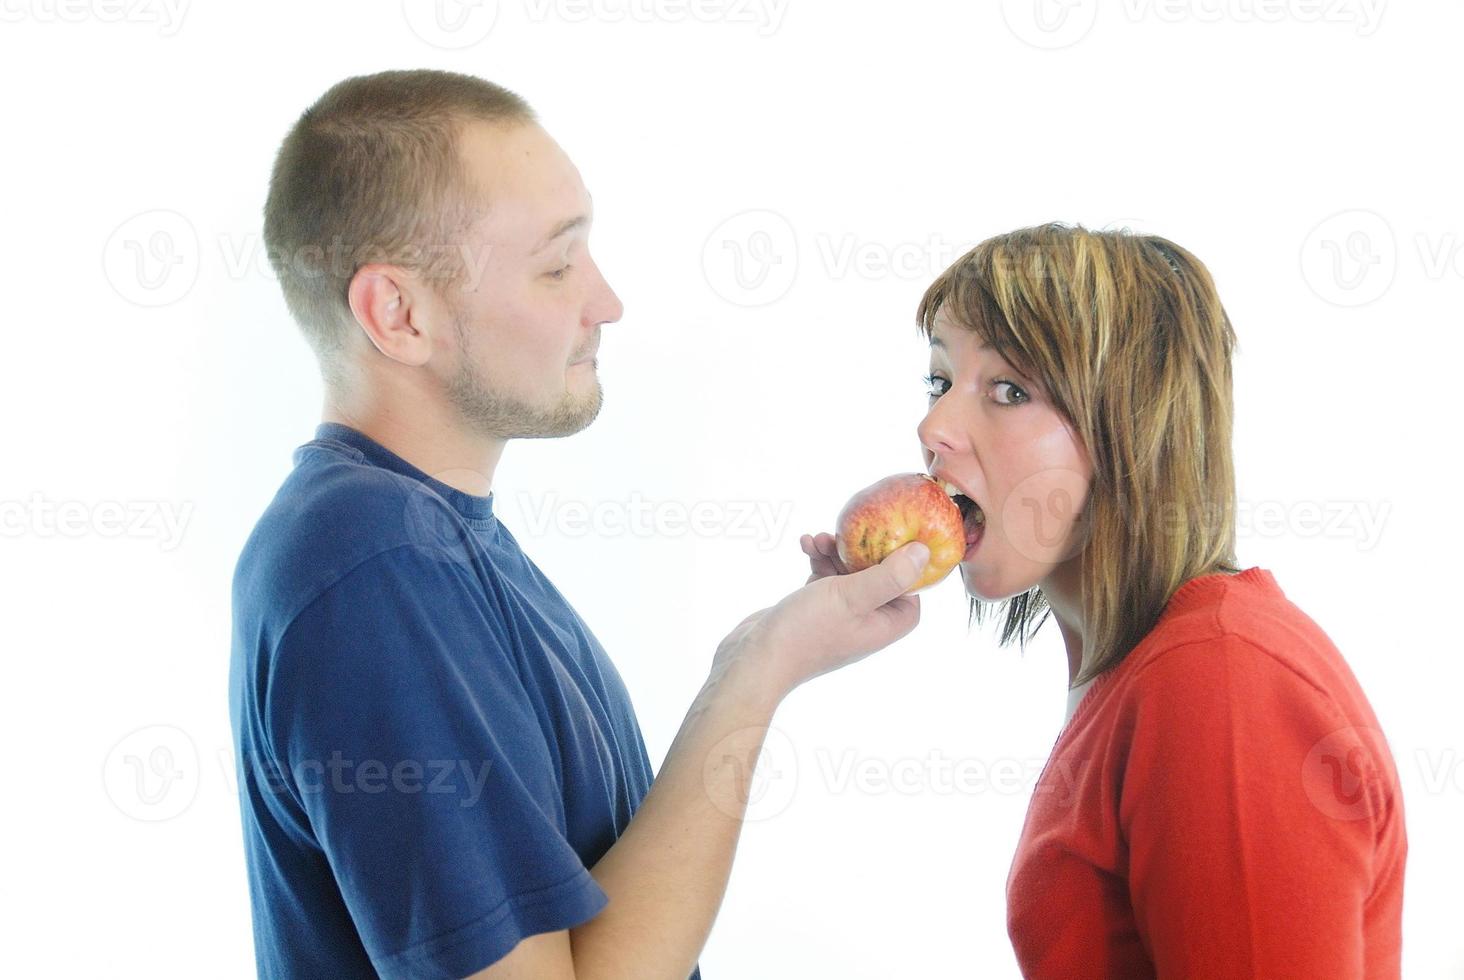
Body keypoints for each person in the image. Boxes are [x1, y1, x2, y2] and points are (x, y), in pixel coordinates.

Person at [228, 68, 929, 979]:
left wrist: (756, 656)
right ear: (397, 313)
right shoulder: (376, 567)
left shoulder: (433, 539)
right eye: (557, 266)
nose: (607, 302)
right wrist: (758, 677)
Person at [806, 223, 1408, 978]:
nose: (932, 429)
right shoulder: (1143, 673)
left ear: (1132, 430)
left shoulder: (1220, 681)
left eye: (1010, 390)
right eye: (939, 381)